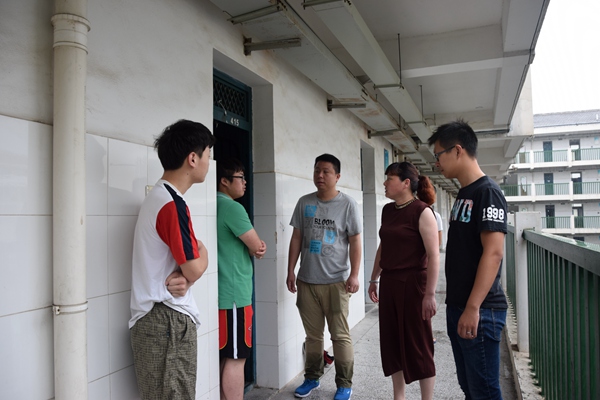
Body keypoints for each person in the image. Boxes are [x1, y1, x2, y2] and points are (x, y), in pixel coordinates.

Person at [129, 119, 215, 399]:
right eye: (208, 154)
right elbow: (193, 268)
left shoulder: (160, 197)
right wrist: (204, 252)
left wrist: (190, 273)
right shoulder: (171, 204)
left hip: (157, 319)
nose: (209, 162)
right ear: (193, 158)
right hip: (167, 321)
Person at [428, 120, 508, 400]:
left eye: (438, 155)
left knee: (484, 391)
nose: (436, 163)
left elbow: (494, 253)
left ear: (457, 150)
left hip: (481, 310)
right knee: (470, 387)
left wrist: (473, 308)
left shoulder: (487, 192)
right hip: (459, 306)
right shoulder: (464, 193)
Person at [286, 153, 362, 400]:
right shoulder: (304, 202)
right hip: (307, 280)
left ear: (337, 176)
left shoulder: (348, 204)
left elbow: (355, 241)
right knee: (313, 336)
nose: (320, 175)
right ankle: (312, 378)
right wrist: (291, 270)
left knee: (340, 335)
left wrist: (354, 275)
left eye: (326, 171)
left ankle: (344, 384)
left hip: (337, 281)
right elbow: (297, 238)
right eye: (317, 170)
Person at [367, 162, 440, 400]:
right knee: (392, 342)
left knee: (419, 344)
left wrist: (430, 294)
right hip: (389, 282)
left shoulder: (422, 211)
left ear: (406, 183)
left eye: (390, 178)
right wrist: (374, 277)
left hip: (414, 284)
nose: (385, 183)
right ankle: (399, 396)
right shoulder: (388, 210)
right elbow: (384, 246)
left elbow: (434, 255)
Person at [216, 158, 266, 400]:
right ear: (224, 181)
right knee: (237, 357)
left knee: (226, 355)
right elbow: (256, 246)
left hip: (220, 292)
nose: (245, 182)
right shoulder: (232, 208)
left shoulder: (211, 204)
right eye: (240, 178)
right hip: (235, 294)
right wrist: (256, 246)